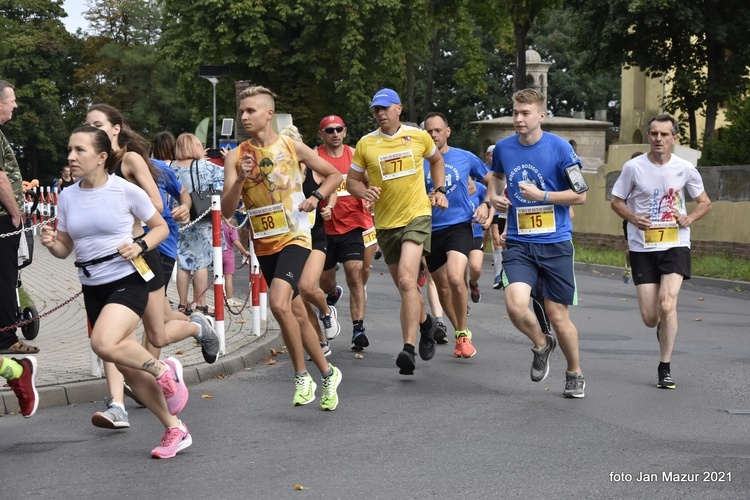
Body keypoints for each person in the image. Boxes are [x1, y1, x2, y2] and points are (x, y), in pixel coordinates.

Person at [41, 126, 192, 458]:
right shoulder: (66, 196)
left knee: (103, 343)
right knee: (125, 366)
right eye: (69, 149)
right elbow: (67, 248)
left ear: (101, 157)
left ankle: (163, 369)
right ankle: (175, 428)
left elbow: (161, 227)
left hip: (129, 278)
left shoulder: (124, 191)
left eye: (79, 150)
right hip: (92, 286)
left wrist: (140, 245)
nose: (71, 156)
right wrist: (53, 244)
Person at [85, 106, 218, 429]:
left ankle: (198, 328)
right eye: (88, 126)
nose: (93, 131)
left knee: (156, 329)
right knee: (116, 333)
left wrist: (182, 209)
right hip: (110, 260)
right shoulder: (90, 167)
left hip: (150, 251)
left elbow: (163, 202)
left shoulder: (132, 161)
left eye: (98, 125)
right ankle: (117, 404)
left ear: (116, 129)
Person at [222, 86, 343, 410]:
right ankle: (328, 373)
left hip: (296, 237)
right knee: (297, 312)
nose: (244, 116)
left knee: (278, 302)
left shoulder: (291, 146)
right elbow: (228, 209)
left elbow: (334, 175)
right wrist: (239, 180)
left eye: (250, 111)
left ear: (268, 113)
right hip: (265, 242)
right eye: (242, 111)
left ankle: (301, 376)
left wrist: (315, 197)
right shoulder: (236, 155)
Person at [487, 88, 587, 398]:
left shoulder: (560, 149)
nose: (518, 118)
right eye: (515, 112)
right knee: (515, 306)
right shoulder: (504, 147)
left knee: (557, 315)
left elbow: (580, 195)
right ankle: (542, 344)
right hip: (518, 241)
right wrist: (493, 197)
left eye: (525, 113)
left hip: (555, 242)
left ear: (541, 115)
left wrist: (542, 196)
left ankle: (574, 372)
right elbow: (497, 178)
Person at [346, 88, 447, 375]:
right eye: (375, 109)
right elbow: (352, 181)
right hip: (386, 224)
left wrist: (438, 190)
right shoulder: (366, 144)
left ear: (398, 109)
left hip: (417, 215)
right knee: (407, 289)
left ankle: (408, 349)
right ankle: (426, 324)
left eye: (384, 108)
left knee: (406, 280)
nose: (379, 113)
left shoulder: (418, 136)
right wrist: (365, 191)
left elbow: (437, 160)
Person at [611, 114, 712, 389]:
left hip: (675, 243)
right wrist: (633, 218)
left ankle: (664, 367)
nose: (658, 139)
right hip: (642, 245)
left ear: (674, 138)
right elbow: (616, 202)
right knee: (650, 317)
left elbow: (704, 202)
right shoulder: (633, 168)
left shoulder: (685, 168)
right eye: (654, 133)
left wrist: (688, 219)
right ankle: (662, 324)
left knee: (667, 303)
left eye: (664, 134)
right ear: (648, 136)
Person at [423, 112, 492, 359]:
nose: (433, 135)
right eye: (429, 131)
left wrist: (486, 204)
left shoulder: (465, 157)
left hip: (459, 226)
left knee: (455, 277)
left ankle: (462, 335)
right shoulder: (419, 162)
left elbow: (492, 180)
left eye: (438, 130)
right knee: (442, 288)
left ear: (447, 131)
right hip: (429, 230)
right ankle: (459, 331)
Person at [279, 125, 340, 359]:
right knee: (298, 299)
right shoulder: (277, 174)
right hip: (289, 238)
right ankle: (320, 341)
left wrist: (326, 203)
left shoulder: (312, 169)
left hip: (315, 236)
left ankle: (326, 311)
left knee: (307, 287)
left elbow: (332, 183)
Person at [315, 115, 372, 350]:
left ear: (345, 131)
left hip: (353, 225)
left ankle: (358, 328)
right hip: (324, 229)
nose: (335, 134)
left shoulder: (355, 155)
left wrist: (370, 199)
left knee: (355, 274)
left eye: (339, 129)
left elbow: (368, 182)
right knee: (325, 281)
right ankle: (331, 294)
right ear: (322, 134)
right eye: (329, 130)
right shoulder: (314, 156)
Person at [170, 133, 224, 316]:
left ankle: (182, 304)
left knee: (183, 262)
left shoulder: (170, 166)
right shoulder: (204, 166)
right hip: (201, 217)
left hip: (178, 218)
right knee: (201, 262)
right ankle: (200, 304)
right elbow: (227, 179)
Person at [484, 145, 506, 290]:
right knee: (490, 240)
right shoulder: (486, 172)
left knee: (501, 242)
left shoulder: (506, 171)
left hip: (505, 212)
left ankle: (502, 275)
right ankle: (497, 275)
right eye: (491, 155)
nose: (493, 157)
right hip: (489, 210)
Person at [621, 151, 644, 284]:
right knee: (632, 249)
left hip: (647, 219)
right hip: (630, 219)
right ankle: (629, 266)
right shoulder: (627, 177)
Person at [222, 216, 250, 307]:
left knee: (219, 277)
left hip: (217, 254)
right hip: (229, 254)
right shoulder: (231, 227)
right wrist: (244, 251)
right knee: (228, 278)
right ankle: (229, 299)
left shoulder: (216, 226)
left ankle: (220, 297)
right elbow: (236, 241)